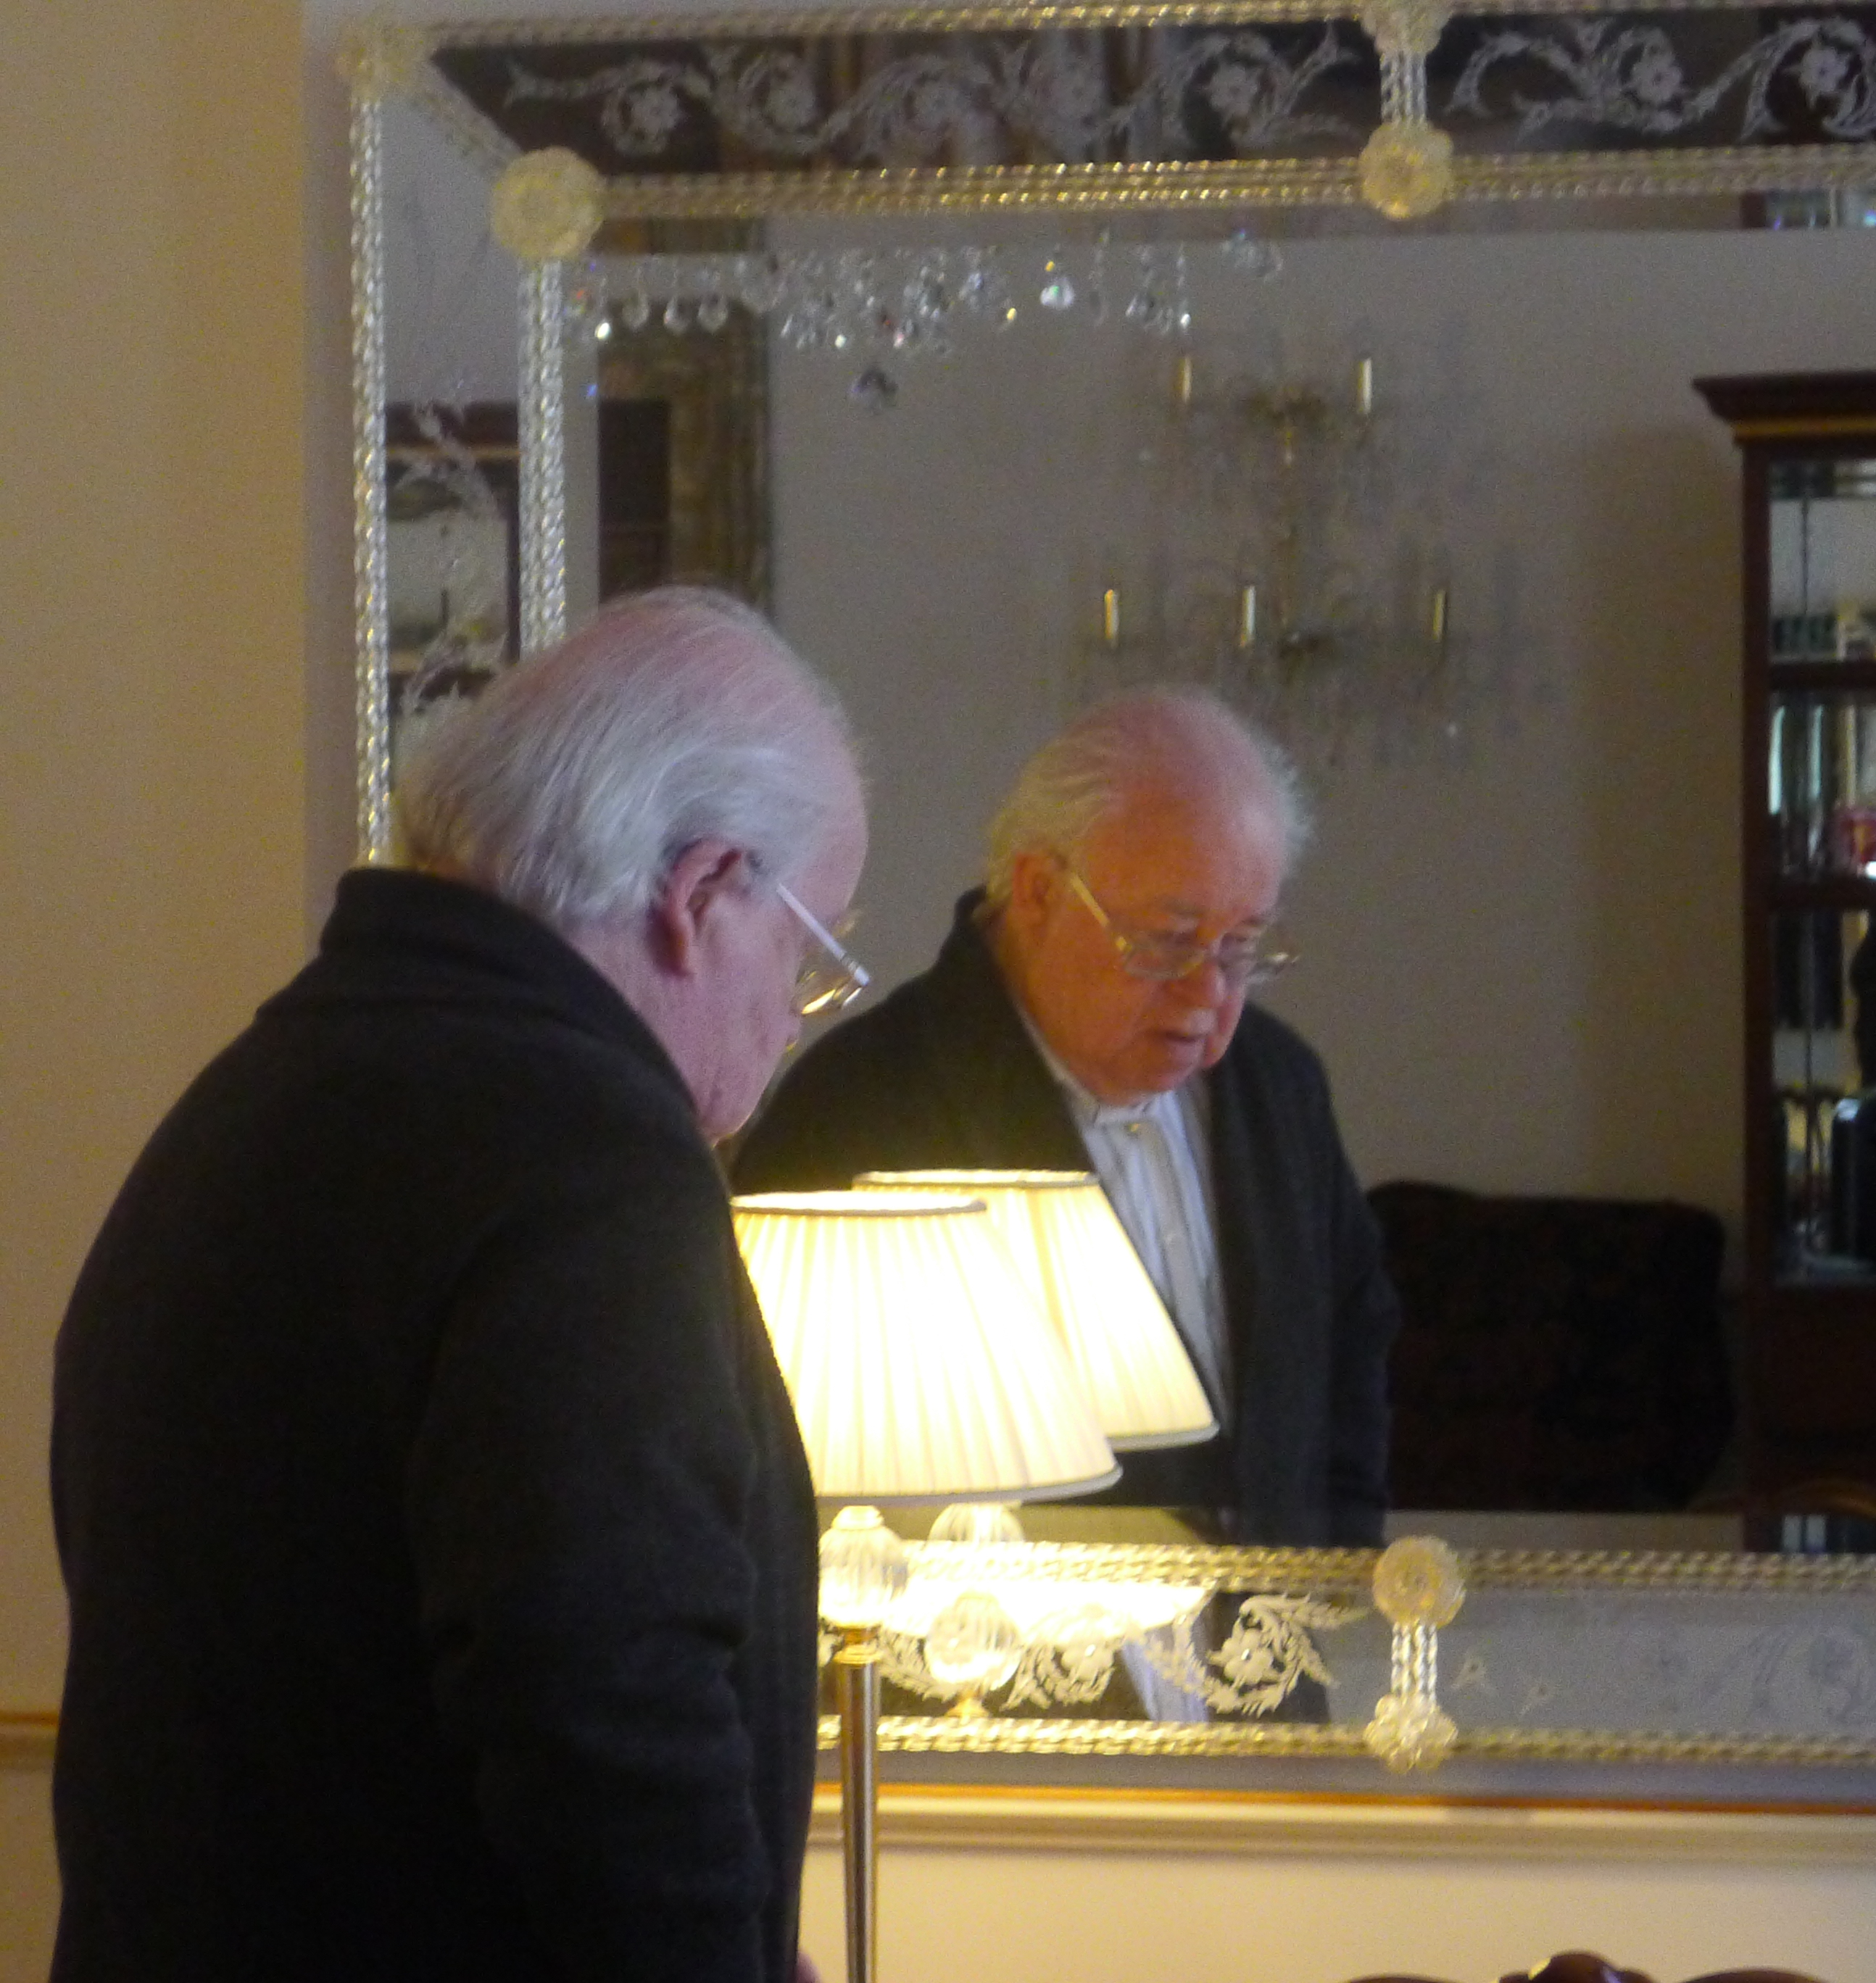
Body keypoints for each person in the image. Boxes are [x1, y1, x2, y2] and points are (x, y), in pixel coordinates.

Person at [50, 588, 867, 1982]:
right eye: (808, 955)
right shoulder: (587, 1155)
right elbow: (612, 1713)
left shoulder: (254, 1093)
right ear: (701, 893)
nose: (793, 1023)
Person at [734, 686, 1396, 1545]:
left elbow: (1350, 1355)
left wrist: (1337, 1580)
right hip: (993, 1620)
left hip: (1278, 1618)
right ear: (1039, 891)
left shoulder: (1279, 1085)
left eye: (1240, 947)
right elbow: (781, 1451)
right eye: (1168, 941)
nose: (1208, 995)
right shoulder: (862, 1104)